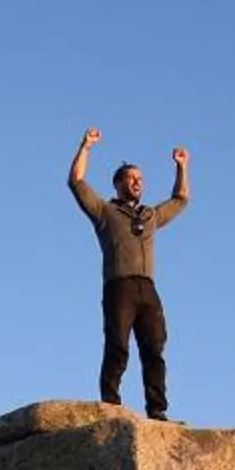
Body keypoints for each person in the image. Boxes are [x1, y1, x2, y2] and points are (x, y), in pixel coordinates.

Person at [68, 127, 191, 420]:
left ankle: (157, 412)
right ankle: (110, 406)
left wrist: (182, 167)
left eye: (141, 179)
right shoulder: (104, 212)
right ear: (118, 183)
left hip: (148, 289)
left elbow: (181, 198)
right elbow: (76, 181)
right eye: (131, 178)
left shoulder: (150, 216)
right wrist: (85, 147)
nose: (137, 182)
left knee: (154, 350)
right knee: (118, 346)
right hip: (119, 287)